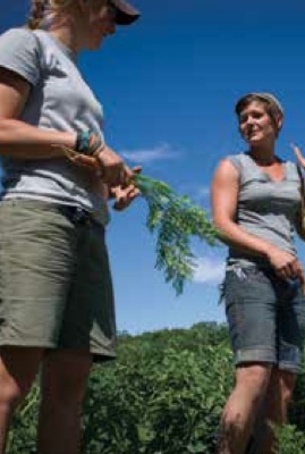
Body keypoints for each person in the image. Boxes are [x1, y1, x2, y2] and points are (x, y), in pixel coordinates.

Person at [0, 1, 140, 453]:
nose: (115, 28)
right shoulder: (25, 44)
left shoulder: (79, 77)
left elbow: (79, 156)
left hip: (88, 227)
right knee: (10, 382)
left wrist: (108, 186)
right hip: (38, 216)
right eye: (112, 15)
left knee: (69, 390)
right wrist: (79, 141)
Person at [211, 92, 305, 454]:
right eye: (243, 118)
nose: (249, 122)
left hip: (290, 281)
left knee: (284, 384)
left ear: (277, 122)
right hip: (250, 274)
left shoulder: (294, 173)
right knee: (254, 373)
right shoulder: (232, 167)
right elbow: (220, 225)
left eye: (257, 115)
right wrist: (269, 250)